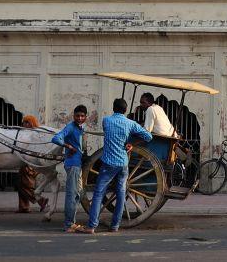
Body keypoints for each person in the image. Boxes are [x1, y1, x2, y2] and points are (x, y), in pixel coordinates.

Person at [83, 98, 152, 234]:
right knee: (121, 193)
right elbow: (148, 136)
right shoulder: (130, 123)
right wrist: (132, 143)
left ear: (113, 108)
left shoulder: (106, 120)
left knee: (98, 193)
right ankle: (115, 226)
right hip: (123, 163)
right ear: (125, 110)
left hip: (108, 162)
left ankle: (92, 226)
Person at [51, 104, 89, 233]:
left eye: (82, 116)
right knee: (72, 194)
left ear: (86, 117)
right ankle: (68, 224)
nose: (79, 118)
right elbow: (56, 138)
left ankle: (71, 221)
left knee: (78, 193)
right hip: (72, 164)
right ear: (73, 116)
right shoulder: (71, 127)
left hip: (77, 164)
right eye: (77, 116)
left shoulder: (81, 128)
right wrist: (68, 146)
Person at [17, 114, 48, 213]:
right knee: (21, 184)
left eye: (27, 122)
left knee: (26, 186)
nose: (25, 124)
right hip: (24, 162)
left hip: (30, 164)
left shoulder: (35, 134)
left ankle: (40, 200)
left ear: (32, 123)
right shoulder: (25, 133)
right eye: (24, 122)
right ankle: (24, 207)